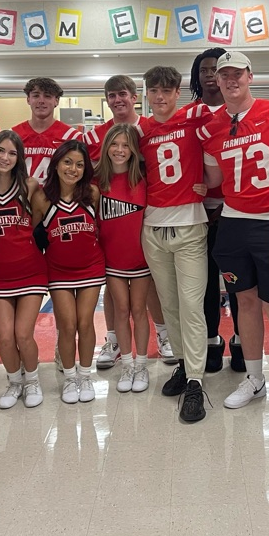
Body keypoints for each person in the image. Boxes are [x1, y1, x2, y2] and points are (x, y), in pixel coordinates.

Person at [199, 50, 269, 424]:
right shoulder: (211, 127)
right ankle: (255, 378)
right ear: (217, 81)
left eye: (237, 74)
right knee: (244, 303)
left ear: (250, 76)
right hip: (232, 222)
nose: (230, 80)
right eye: (224, 75)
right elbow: (214, 179)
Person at [84, 75, 175, 369]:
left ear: (135, 97)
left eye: (122, 94)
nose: (117, 100)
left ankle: (163, 334)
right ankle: (113, 340)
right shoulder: (95, 136)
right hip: (112, 230)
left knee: (151, 287)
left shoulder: (150, 127)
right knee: (114, 292)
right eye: (111, 95)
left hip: (145, 220)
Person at [138, 65, 211, 422]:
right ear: (147, 93)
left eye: (167, 90)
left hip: (190, 224)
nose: (160, 96)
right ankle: (183, 363)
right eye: (154, 90)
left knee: (191, 305)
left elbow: (233, 125)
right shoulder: (141, 129)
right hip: (153, 227)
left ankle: (196, 381)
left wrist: (212, 181)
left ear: (178, 92)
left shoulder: (195, 116)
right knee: (169, 305)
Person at [0, 130, 47, 410]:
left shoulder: (29, 186)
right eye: (0, 151)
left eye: (12, 153)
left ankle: (32, 381)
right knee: (5, 337)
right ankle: (14, 381)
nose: (5, 157)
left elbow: (40, 221)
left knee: (23, 334)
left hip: (30, 271)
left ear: (20, 158)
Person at [33, 141, 105, 404]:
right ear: (56, 164)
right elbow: (29, 235)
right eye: (67, 162)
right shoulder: (42, 198)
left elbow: (101, 229)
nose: (72, 169)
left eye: (79, 164)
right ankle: (70, 378)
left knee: (85, 322)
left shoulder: (92, 193)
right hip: (58, 270)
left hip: (91, 267)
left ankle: (85, 376)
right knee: (67, 325)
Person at [189, 47, 242, 373]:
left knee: (238, 281)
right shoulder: (188, 115)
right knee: (204, 283)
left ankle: (240, 338)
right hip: (196, 212)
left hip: (235, 211)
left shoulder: (240, 111)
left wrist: (227, 205)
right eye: (204, 70)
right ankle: (210, 339)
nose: (210, 75)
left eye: (216, 69)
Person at [95, 124, 151, 393]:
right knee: (121, 309)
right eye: (114, 144)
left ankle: (142, 365)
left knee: (139, 310)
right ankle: (127, 364)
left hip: (140, 259)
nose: (119, 150)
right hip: (112, 261)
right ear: (106, 147)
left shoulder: (143, 178)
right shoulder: (96, 181)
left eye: (126, 145)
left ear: (134, 150)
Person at [12, 77, 82, 183]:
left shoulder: (73, 137)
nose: (41, 101)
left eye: (47, 96)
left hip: (56, 193)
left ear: (56, 101)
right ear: (28, 100)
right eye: (36, 96)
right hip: (21, 193)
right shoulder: (13, 135)